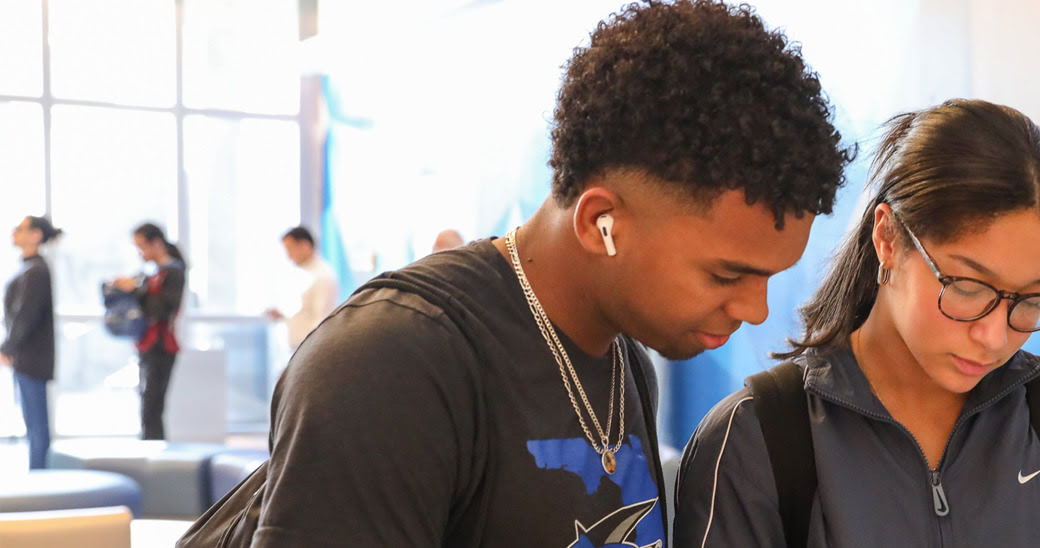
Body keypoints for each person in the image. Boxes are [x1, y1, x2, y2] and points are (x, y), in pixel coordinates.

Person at [180, 2, 852, 546]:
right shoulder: (393, 362)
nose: (756, 310)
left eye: (768, 277)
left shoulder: (624, 364)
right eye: (725, 274)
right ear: (600, 223)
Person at [674, 99, 1040, 547]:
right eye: (967, 288)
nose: (993, 337)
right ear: (888, 238)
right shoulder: (754, 439)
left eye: (1030, 299)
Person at [113, 222, 186, 441]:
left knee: (153, 406)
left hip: (162, 346)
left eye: (142, 246)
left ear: (156, 243)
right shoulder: (148, 274)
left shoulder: (172, 272)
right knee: (146, 403)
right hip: (145, 344)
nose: (140, 253)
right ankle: (149, 449)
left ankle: (155, 456)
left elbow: (163, 309)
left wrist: (136, 290)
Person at [4, 216, 61, 469]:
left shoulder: (36, 270)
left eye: (20, 229)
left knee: (36, 424)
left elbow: (26, 314)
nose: (14, 232)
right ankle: (38, 474)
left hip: (32, 358)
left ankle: (41, 478)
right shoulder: (29, 268)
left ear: (36, 235)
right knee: (32, 422)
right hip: (25, 357)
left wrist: (7, 346)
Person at [265, 226, 338, 350]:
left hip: (311, 351)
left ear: (304, 245)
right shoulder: (302, 273)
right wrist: (282, 314)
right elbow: (304, 310)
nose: (289, 256)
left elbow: (322, 319)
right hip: (298, 349)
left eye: (290, 249)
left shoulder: (323, 275)